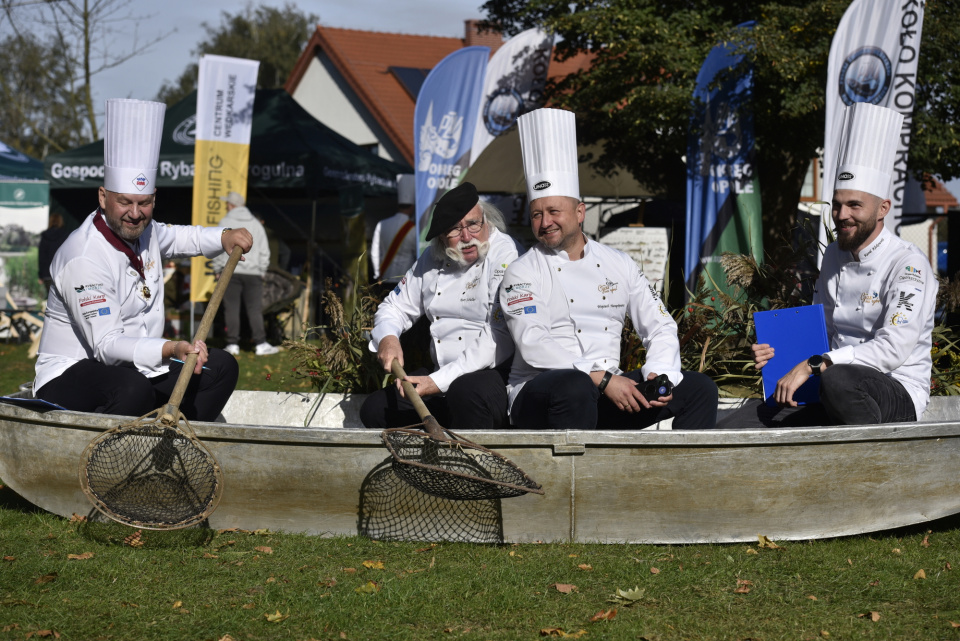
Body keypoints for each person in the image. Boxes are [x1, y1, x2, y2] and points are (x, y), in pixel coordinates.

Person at [33, 98, 254, 422]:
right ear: (103, 197)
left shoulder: (145, 231)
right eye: (124, 202)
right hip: (69, 373)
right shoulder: (83, 257)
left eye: (144, 203)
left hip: (135, 366)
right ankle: (115, 460)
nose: (135, 214)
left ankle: (177, 446)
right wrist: (172, 349)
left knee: (221, 367)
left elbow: (179, 237)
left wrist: (223, 237)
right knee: (134, 389)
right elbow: (107, 346)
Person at [500, 108, 718, 430]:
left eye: (554, 211)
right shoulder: (521, 272)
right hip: (538, 394)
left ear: (580, 212)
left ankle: (683, 476)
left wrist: (659, 374)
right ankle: (577, 480)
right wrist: (601, 379)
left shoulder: (619, 263)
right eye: (536, 214)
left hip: (606, 391)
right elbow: (533, 342)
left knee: (700, 389)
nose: (545, 223)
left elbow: (659, 326)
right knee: (575, 386)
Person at [741, 102, 937, 427]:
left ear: (883, 208)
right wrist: (779, 355)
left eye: (855, 205)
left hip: (894, 388)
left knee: (839, 381)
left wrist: (818, 363)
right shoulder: (834, 253)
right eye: (837, 204)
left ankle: (867, 471)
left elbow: (892, 349)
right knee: (747, 420)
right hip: (831, 382)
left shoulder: (908, 265)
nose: (842, 215)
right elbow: (823, 329)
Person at [359, 181, 519, 431]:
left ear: (485, 219)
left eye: (473, 224)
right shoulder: (432, 258)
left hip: (493, 374)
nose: (467, 238)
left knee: (465, 393)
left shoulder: (506, 254)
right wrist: (388, 338)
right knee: (375, 410)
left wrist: (437, 382)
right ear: (442, 238)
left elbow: (498, 336)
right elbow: (394, 306)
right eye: (454, 230)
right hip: (439, 375)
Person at [211, 191, 278, 356]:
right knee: (254, 309)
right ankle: (261, 343)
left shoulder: (225, 222)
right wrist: (261, 270)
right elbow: (264, 250)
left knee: (231, 308)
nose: (226, 205)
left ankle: (233, 344)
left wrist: (218, 269)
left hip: (230, 271)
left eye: (227, 203)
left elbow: (218, 247)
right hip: (253, 272)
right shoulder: (256, 224)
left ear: (231, 205)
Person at [370, 173, 417, 298]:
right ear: (412, 207)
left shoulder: (382, 224)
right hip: (405, 281)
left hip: (385, 279)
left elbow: (374, 252)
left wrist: (377, 274)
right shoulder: (413, 229)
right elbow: (417, 255)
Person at [37, 213, 70, 294]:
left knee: (51, 300)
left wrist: (41, 275)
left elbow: (42, 257)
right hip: (63, 273)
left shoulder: (45, 237)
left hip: (48, 274)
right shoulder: (66, 236)